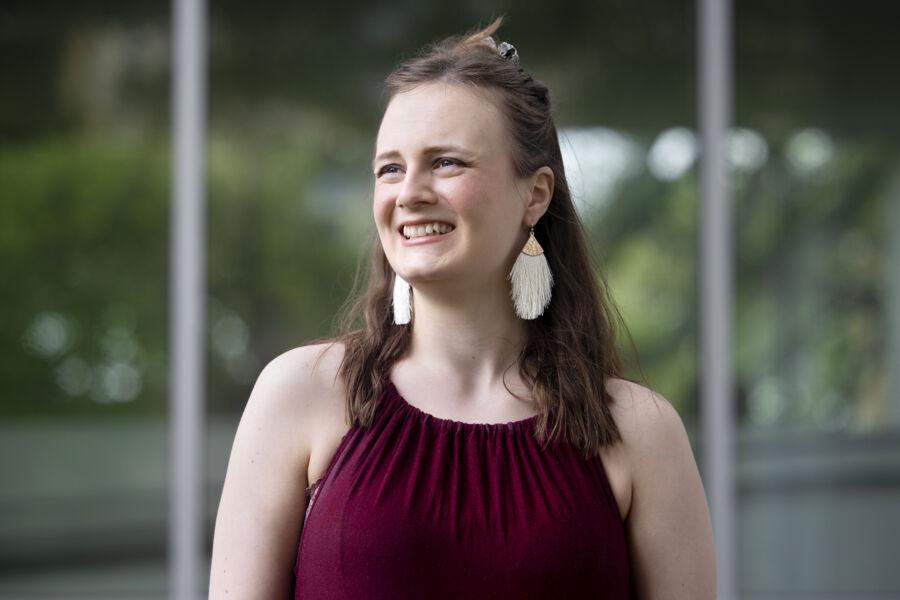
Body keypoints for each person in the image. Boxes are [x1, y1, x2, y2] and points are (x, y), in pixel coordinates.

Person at [209, 16, 716, 600]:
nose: (409, 192)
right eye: (390, 168)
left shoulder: (639, 431)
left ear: (536, 195)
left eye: (446, 162)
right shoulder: (300, 394)